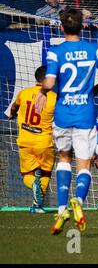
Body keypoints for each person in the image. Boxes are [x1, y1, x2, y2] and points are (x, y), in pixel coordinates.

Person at [34, 8, 98, 235]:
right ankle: (77, 201)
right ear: (82, 26)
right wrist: (93, 89)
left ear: (61, 27)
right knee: (84, 163)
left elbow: (49, 82)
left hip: (62, 114)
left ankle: (61, 209)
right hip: (85, 114)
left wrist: (42, 94)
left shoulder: (55, 51)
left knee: (63, 158)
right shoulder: (93, 48)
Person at [8, 66, 57, 214]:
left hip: (25, 142)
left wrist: (12, 114)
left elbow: (14, 107)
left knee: (27, 175)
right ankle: (37, 204)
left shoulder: (23, 93)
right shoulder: (54, 98)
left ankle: (36, 200)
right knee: (46, 174)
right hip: (45, 143)